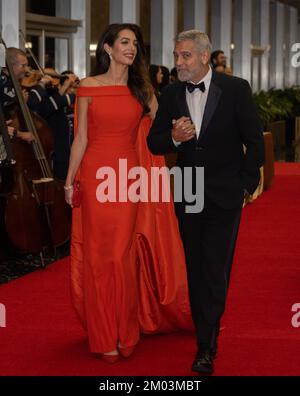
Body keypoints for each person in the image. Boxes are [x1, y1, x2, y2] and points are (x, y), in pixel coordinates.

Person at [65, 23, 192, 363]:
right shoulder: (88, 87)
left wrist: (181, 131)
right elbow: (80, 138)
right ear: (106, 48)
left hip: (128, 179)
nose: (131, 48)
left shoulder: (141, 89)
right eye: (124, 42)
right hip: (95, 177)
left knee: (122, 255)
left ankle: (126, 330)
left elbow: (162, 128)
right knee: (98, 257)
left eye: (135, 43)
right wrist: (68, 181)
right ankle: (105, 334)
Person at [147, 30, 264, 375]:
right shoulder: (170, 93)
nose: (178, 62)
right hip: (188, 191)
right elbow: (155, 142)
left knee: (215, 269)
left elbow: (255, 142)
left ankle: (206, 346)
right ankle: (205, 329)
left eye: (184, 56)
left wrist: (244, 185)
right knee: (196, 268)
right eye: (176, 55)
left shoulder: (236, 89)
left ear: (203, 57)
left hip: (224, 193)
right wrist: (173, 136)